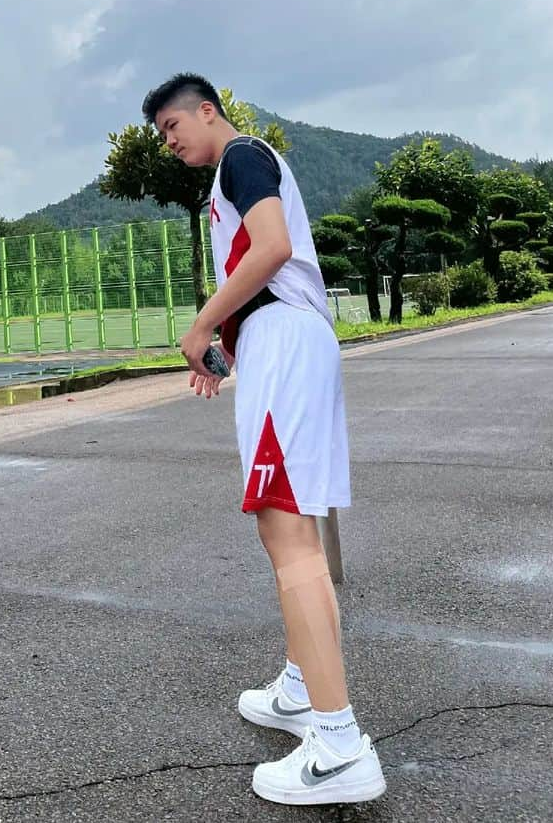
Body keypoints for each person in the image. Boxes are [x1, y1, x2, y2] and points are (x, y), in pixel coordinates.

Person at [142, 72, 386, 807]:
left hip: (285, 342)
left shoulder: (242, 156)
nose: (169, 141)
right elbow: (266, 260)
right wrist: (231, 346)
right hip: (284, 343)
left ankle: (339, 743)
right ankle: (299, 688)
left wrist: (202, 324)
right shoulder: (235, 177)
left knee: (288, 537)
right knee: (296, 528)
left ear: (206, 111)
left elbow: (272, 248)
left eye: (171, 127)